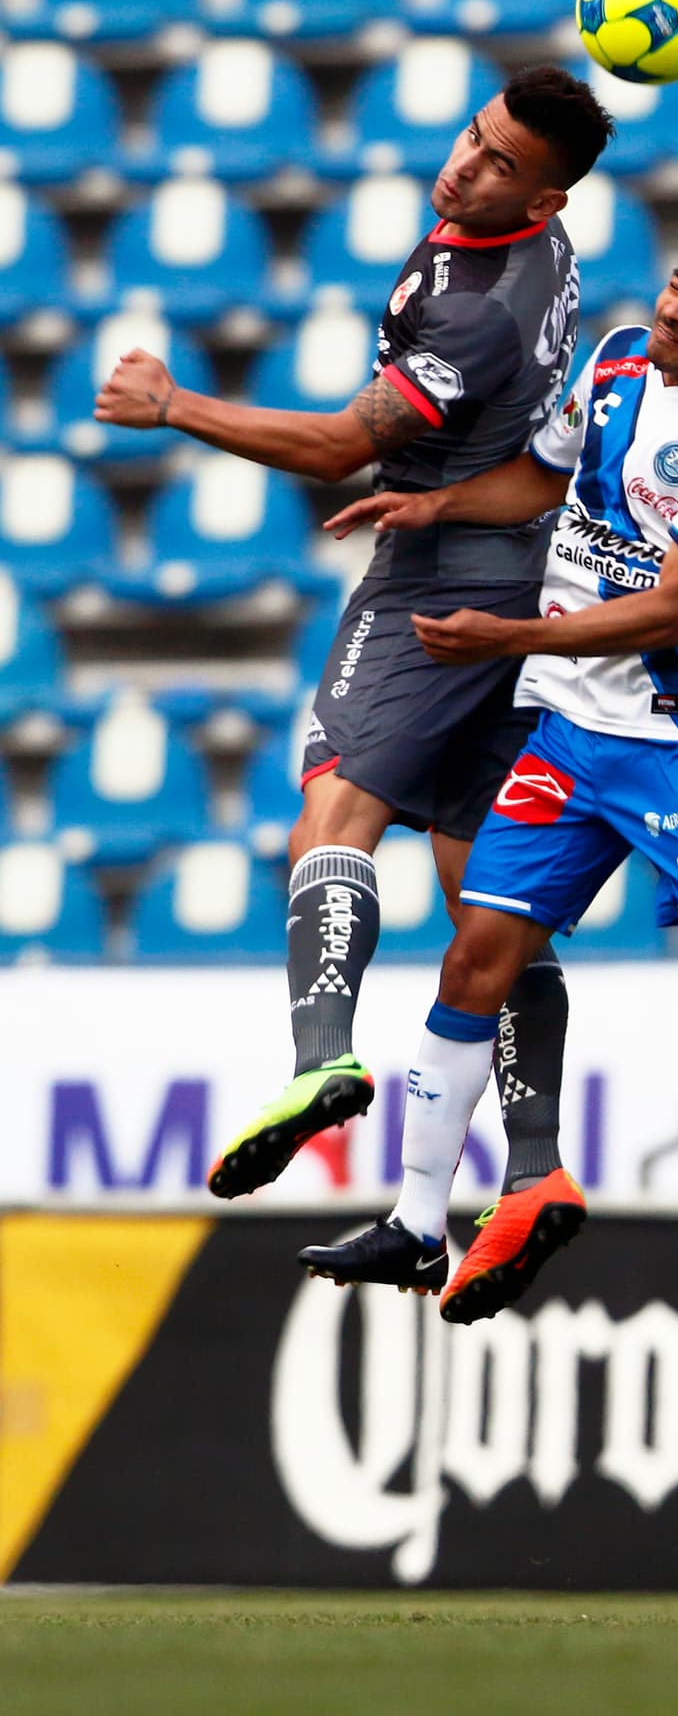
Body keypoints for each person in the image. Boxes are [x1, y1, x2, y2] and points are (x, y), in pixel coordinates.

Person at [296, 233, 678, 1319]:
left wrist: (505, 640)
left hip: (673, 747)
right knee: (476, 959)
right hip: (566, 736)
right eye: (676, 286)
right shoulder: (615, 360)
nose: (674, 311)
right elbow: (540, 475)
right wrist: (434, 505)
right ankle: (421, 1224)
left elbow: (668, 609)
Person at [94, 65, 616, 1213]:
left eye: (498, 167)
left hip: (437, 577)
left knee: (333, 805)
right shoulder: (501, 239)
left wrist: (176, 405)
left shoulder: (482, 310)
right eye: (472, 140)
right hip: (522, 569)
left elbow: (340, 447)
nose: (464, 167)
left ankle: (322, 1054)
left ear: (549, 204)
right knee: (489, 890)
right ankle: (533, 1170)